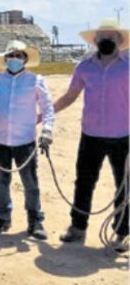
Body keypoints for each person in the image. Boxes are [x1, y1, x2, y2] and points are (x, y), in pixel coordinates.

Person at [51, 19, 129, 252]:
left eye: (112, 37)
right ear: (95, 41)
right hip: (91, 135)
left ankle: (122, 232)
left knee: (124, 186)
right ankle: (77, 227)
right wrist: (44, 113)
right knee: (84, 183)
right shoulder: (84, 67)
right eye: (102, 37)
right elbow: (70, 96)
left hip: (123, 136)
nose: (107, 41)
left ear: (120, 40)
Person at [0, 40, 54, 240]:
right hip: (0, 139)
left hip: (25, 140)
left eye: (19, 55)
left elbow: (48, 108)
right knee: (1, 181)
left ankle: (35, 221)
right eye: (11, 56)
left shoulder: (36, 80)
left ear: (25, 59)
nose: (15, 59)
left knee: (30, 183)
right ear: (5, 59)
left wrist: (47, 131)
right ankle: (2, 217)